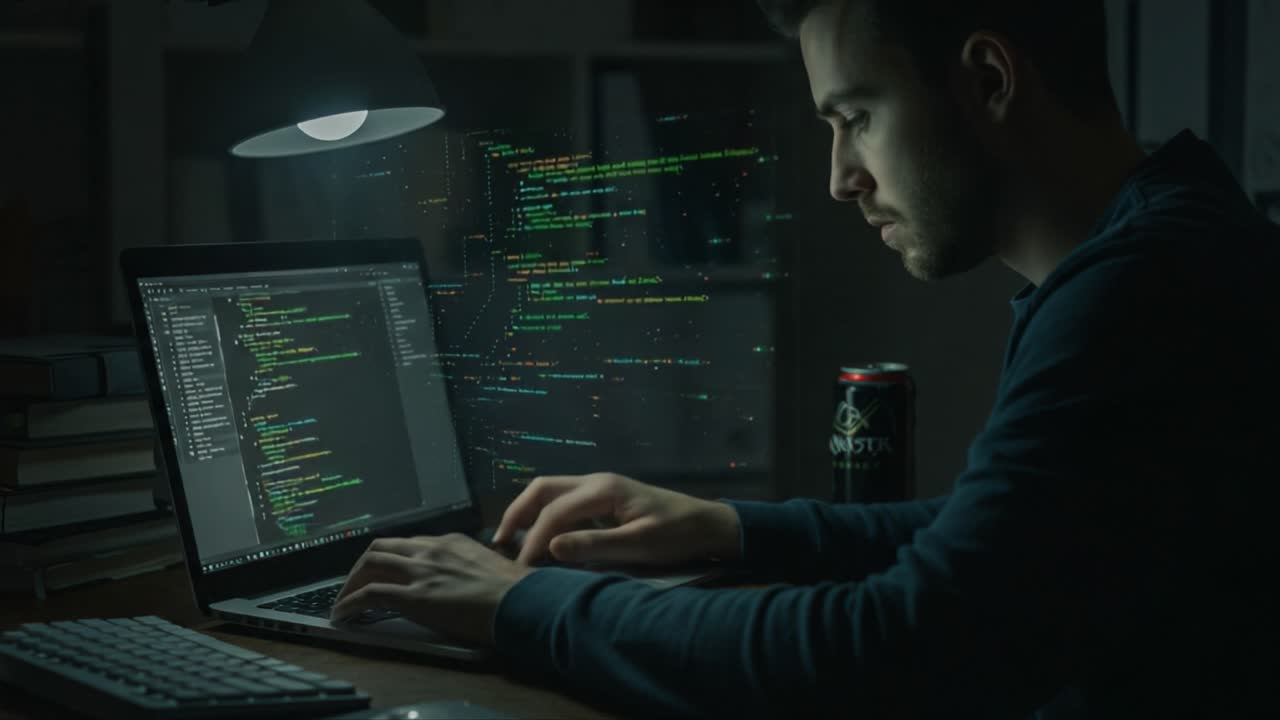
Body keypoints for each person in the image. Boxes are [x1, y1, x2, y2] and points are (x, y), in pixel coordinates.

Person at [330, 1, 1277, 716]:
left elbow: (898, 647)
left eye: (855, 116)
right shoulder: (1168, 242)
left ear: (989, 80)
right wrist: (727, 527)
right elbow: (1001, 541)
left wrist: (526, 605)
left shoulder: (1143, 289)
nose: (839, 178)